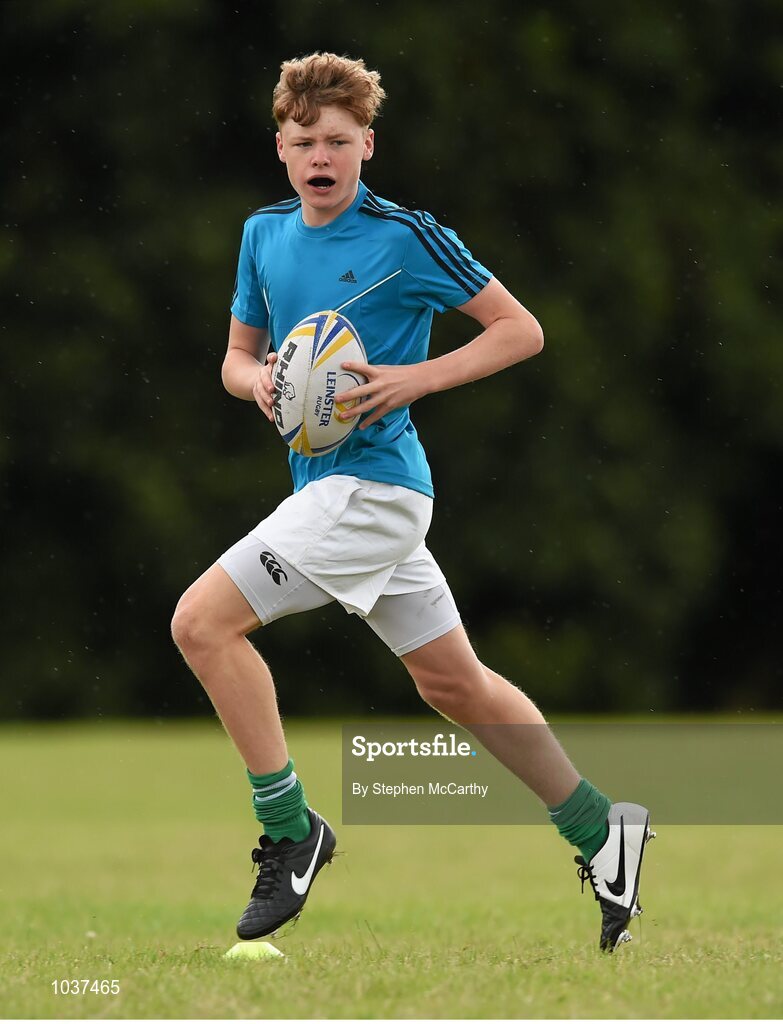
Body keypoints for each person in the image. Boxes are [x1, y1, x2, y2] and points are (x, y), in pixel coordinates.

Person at [171, 51, 654, 952]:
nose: (322, 156)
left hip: (376, 488)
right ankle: (601, 830)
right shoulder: (262, 235)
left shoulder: (407, 236)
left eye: (340, 142)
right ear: (281, 146)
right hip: (330, 488)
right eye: (306, 140)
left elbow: (521, 329)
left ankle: (289, 829)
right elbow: (235, 362)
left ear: (367, 147)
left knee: (201, 625)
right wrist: (260, 381)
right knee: (453, 684)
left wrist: (415, 379)